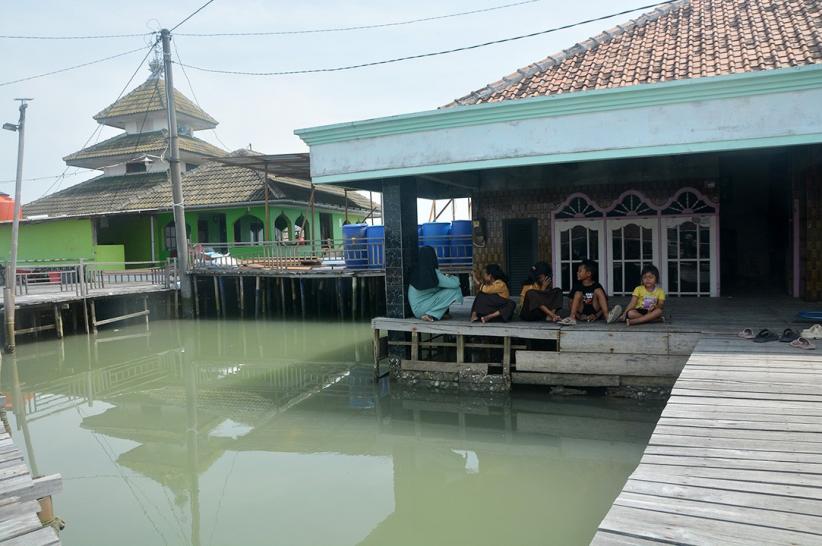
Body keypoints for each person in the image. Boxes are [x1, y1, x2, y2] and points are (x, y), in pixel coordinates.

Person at [408, 246, 464, 321]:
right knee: (456, 290)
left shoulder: (416, 271)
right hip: (424, 308)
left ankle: (431, 315)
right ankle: (432, 313)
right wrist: (452, 276)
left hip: (416, 310)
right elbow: (455, 284)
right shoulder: (433, 273)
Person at [559, 260, 616, 325]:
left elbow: (605, 303)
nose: (577, 273)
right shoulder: (577, 286)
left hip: (594, 309)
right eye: (578, 271)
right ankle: (572, 317)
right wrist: (579, 316)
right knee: (578, 293)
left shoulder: (597, 285)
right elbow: (570, 303)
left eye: (580, 271)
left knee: (598, 291)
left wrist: (596, 316)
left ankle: (607, 316)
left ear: (588, 274)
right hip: (581, 310)